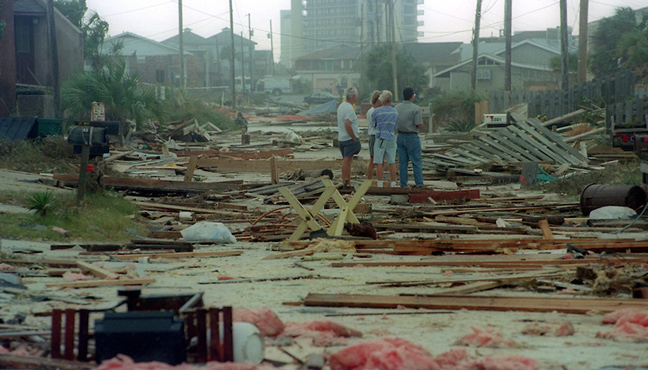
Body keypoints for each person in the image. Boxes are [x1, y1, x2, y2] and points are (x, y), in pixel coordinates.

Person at [395, 86, 424, 187]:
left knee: (403, 162)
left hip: (400, 136)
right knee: (416, 161)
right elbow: (419, 124)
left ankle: (403, 184)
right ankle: (419, 184)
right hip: (411, 136)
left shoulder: (397, 108)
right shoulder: (416, 109)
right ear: (412, 96)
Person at [370, 90, 398, 188]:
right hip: (391, 137)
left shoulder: (377, 112)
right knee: (392, 162)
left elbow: (373, 125)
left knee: (379, 162)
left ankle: (380, 183)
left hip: (380, 138)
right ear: (390, 100)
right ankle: (393, 183)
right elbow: (395, 126)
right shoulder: (395, 112)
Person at [337, 87, 360, 188]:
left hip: (341, 138)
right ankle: (345, 181)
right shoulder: (349, 108)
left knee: (348, 161)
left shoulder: (341, 106)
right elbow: (348, 124)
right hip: (348, 138)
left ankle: (347, 181)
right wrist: (354, 137)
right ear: (354, 96)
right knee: (347, 161)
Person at [365, 90, 382, 179]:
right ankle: (369, 180)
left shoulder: (376, 111)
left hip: (378, 137)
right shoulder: (372, 112)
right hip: (374, 136)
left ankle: (378, 180)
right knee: (373, 160)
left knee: (380, 161)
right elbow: (376, 125)